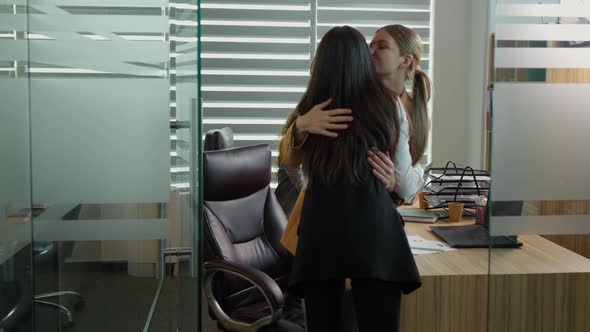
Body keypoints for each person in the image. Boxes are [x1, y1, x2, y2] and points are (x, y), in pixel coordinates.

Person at [282, 25, 421, 332]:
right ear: (362, 59)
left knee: (325, 324)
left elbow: (289, 167)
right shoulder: (388, 104)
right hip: (375, 233)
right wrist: (390, 181)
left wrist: (302, 128)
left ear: (321, 63)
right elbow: (402, 178)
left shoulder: (310, 108)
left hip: (322, 232)